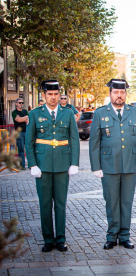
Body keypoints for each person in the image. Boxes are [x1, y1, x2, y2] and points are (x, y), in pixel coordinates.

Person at [89, 79, 136, 250]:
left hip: (129, 165)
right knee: (111, 202)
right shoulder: (100, 113)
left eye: (122, 93)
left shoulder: (134, 112)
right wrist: (96, 167)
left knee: (126, 202)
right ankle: (111, 236)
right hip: (108, 165)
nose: (119, 95)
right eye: (116, 92)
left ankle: (125, 236)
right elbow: (94, 142)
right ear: (110, 94)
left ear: (125, 94)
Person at [25, 80, 80, 252]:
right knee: (45, 204)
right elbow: (29, 141)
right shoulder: (34, 114)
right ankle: (48, 239)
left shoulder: (68, 113)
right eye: (50, 94)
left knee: (61, 204)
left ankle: (61, 239)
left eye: (56, 94)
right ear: (44, 96)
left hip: (63, 164)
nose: (53, 97)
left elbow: (74, 139)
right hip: (43, 165)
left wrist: (74, 163)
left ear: (59, 95)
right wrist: (32, 164)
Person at [12, 98, 29, 170]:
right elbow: (18, 120)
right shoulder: (14, 112)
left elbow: (28, 120)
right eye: (19, 103)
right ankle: (22, 165)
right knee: (21, 149)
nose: (21, 104)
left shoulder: (25, 111)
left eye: (22, 103)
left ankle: (31, 165)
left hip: (27, 131)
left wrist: (23, 118)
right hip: (19, 133)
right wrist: (25, 118)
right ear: (16, 104)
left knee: (28, 148)